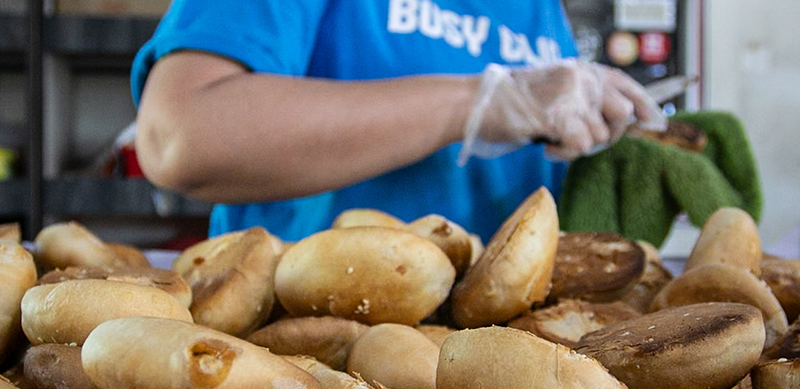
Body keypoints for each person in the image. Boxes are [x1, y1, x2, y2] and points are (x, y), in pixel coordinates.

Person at [131, 1, 665, 243]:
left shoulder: (539, 9)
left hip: (488, 368)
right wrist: (471, 102)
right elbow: (180, 133)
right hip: (296, 359)